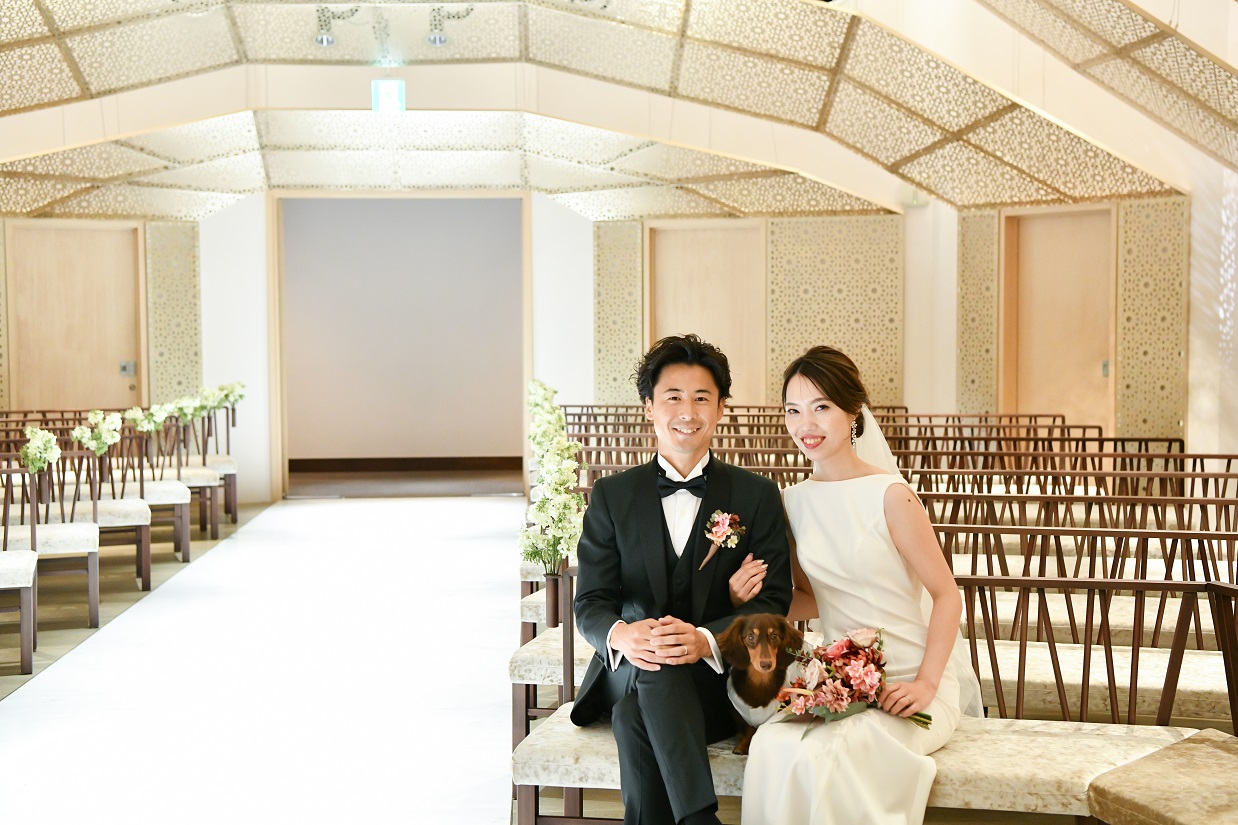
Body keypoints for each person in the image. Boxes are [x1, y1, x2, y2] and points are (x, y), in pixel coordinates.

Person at [736, 345, 983, 825]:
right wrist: (749, 602)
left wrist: (927, 683)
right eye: (793, 410)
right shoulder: (792, 502)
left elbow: (946, 595)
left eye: (821, 407)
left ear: (853, 411)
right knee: (773, 744)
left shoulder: (890, 495)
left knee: (840, 751)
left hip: (909, 678)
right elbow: (810, 599)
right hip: (839, 678)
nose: (805, 424)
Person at [571, 334, 794, 825]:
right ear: (649, 407)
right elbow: (590, 602)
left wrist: (706, 639)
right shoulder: (612, 495)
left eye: (701, 398)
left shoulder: (755, 495)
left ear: (721, 409)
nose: (687, 412)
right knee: (656, 663)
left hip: (715, 683)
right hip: (631, 670)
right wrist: (624, 635)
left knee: (634, 717)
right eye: (673, 397)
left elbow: (775, 598)